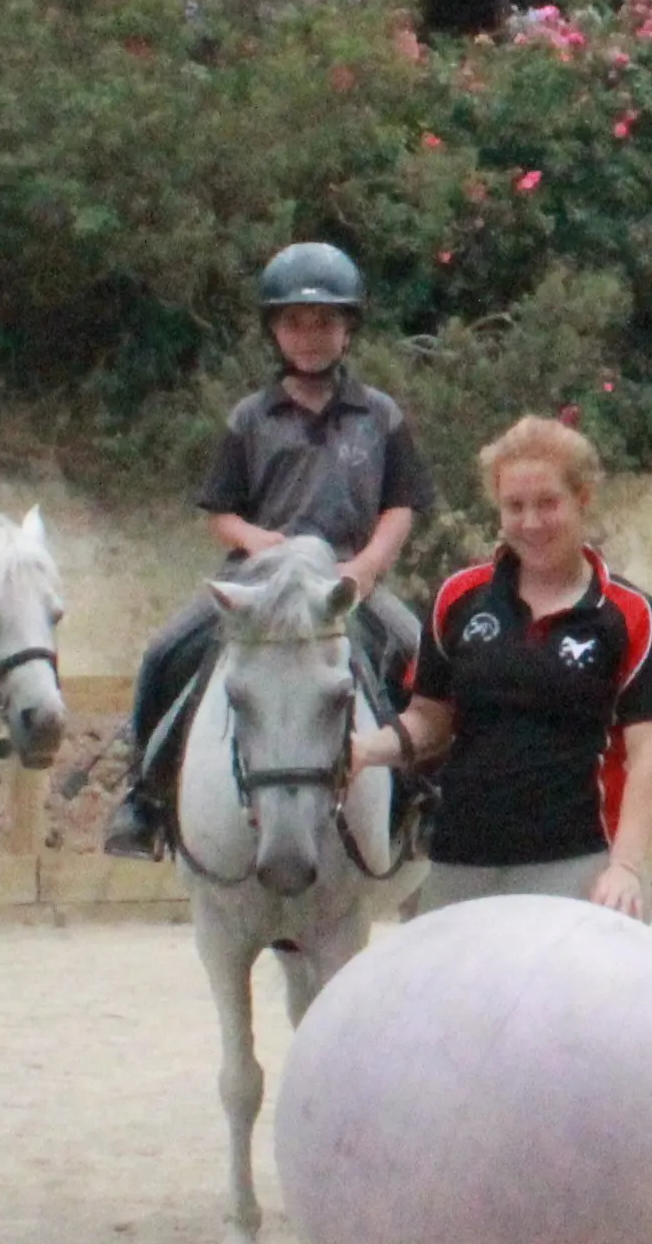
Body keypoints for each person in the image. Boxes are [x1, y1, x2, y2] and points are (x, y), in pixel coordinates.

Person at [102, 241, 433, 859]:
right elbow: (221, 513)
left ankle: (426, 799)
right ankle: (143, 797)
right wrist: (257, 540)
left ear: (348, 328)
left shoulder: (379, 415)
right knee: (163, 651)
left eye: (324, 322)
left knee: (422, 653)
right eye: (294, 323)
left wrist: (364, 568)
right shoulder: (250, 418)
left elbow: (401, 505)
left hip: (344, 581)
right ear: (273, 330)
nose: (309, 337)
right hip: (258, 587)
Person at [353, 415, 652, 914]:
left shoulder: (631, 616)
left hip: (581, 866)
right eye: (515, 506)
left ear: (583, 499)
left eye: (547, 503)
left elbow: (649, 759)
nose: (531, 523)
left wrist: (626, 867)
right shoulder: (458, 599)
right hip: (460, 865)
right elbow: (428, 722)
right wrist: (359, 751)